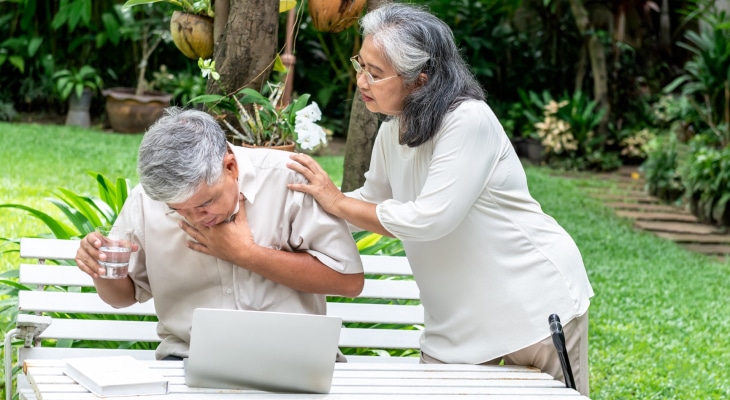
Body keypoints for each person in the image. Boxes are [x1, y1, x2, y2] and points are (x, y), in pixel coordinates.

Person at [287, 2, 594, 395]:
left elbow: (430, 219)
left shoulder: (468, 120)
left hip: (531, 306)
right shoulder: (391, 132)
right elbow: (370, 199)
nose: (362, 81)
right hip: (455, 326)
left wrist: (337, 202)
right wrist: (302, 207)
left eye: (375, 73)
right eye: (360, 65)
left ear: (420, 80)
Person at [75, 107, 364, 360]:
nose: (196, 218)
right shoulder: (146, 199)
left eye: (205, 203)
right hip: (187, 358)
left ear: (230, 166)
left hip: (293, 359)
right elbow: (122, 297)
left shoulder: (289, 180)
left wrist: (247, 255)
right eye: (179, 210)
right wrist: (101, 268)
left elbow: (349, 282)